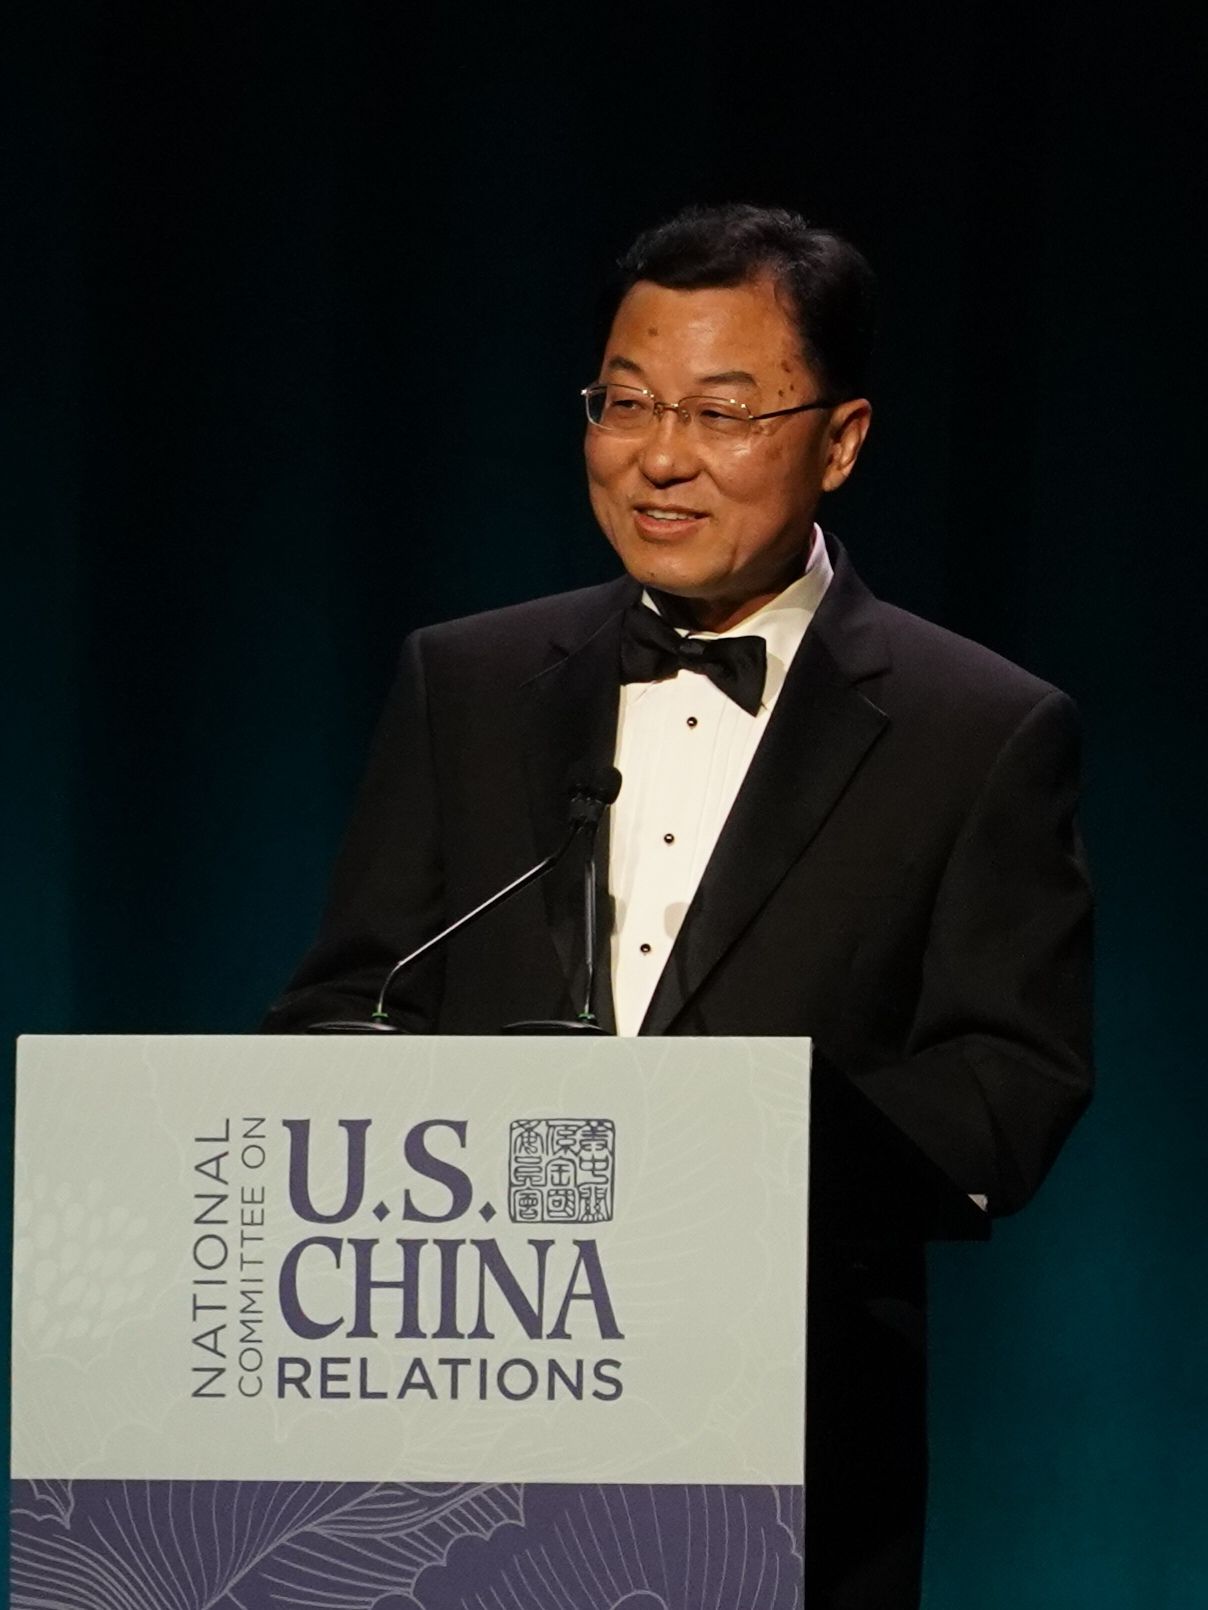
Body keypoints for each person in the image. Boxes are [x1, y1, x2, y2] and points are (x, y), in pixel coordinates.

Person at [263, 204, 1093, 1608]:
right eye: (627, 402)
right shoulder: (466, 682)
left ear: (840, 440)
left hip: (783, 1447)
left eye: (723, 413)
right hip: (453, 1448)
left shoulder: (981, 729)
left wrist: (731, 1150)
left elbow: (1009, 1085)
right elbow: (347, 1002)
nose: (659, 456)